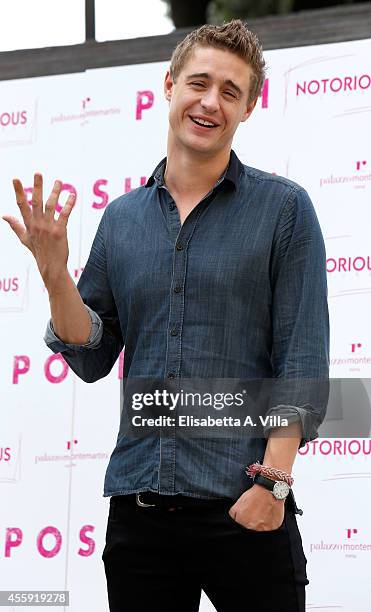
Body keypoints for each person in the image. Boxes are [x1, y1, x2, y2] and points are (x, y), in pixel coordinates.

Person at [3, 19, 329, 612]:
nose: (210, 102)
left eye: (231, 91)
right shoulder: (122, 219)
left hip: (247, 504)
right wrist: (54, 274)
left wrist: (272, 485)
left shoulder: (284, 211)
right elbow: (91, 352)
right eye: (199, 83)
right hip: (140, 516)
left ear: (249, 108)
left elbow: (301, 359)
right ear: (169, 85)